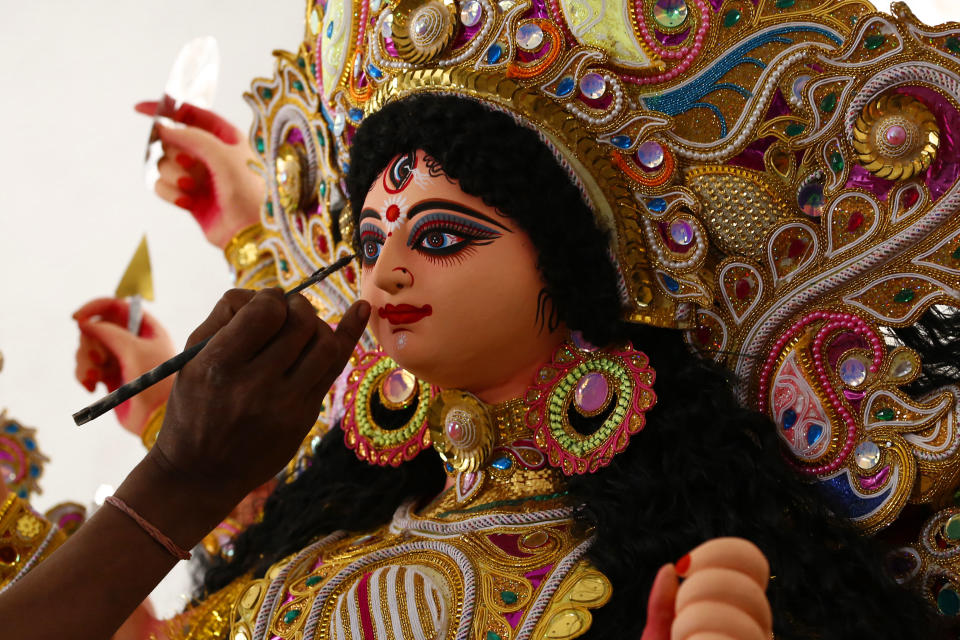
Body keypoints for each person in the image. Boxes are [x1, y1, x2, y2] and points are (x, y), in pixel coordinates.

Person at [3, 0, 958, 637]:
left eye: (447, 235)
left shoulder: (652, 565)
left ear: (579, 277)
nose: (388, 269)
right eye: (369, 239)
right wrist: (176, 467)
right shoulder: (314, 550)